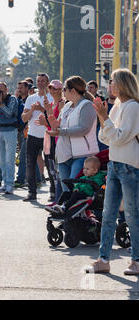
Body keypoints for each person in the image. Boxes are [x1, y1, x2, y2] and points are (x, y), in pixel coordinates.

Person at [85, 68, 139, 275]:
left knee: (132, 215)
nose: (110, 85)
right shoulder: (117, 106)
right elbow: (104, 138)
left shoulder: (133, 107)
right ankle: (103, 259)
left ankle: (137, 260)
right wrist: (103, 117)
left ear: (123, 83)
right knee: (108, 214)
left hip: (129, 166)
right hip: (115, 164)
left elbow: (119, 137)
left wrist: (104, 117)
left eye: (113, 81)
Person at [46, 76, 99, 196]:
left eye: (64, 89)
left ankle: (79, 214)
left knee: (76, 188)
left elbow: (84, 129)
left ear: (73, 90)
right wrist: (53, 125)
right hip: (64, 153)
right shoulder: (67, 106)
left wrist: (60, 131)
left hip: (82, 154)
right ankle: (68, 212)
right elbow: (60, 126)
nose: (62, 92)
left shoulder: (87, 105)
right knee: (66, 190)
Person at [21, 73, 53, 201]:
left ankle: (53, 192)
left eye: (43, 81)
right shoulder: (31, 98)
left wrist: (42, 108)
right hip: (32, 135)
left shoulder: (51, 97)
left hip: (47, 135)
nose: (41, 83)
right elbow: (24, 118)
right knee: (30, 164)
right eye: (39, 81)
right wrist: (31, 111)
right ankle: (32, 192)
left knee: (50, 165)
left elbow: (54, 116)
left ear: (48, 82)